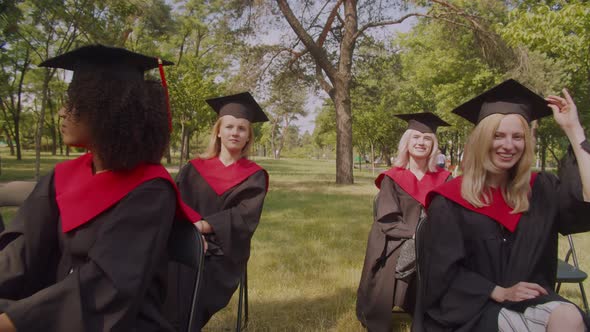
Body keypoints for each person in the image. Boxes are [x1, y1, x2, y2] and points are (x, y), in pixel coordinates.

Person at [0, 44, 201, 332]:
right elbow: (19, 254)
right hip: (50, 310)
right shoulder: (62, 177)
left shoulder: (150, 191)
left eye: (73, 103)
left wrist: (13, 321)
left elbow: (105, 288)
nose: (61, 113)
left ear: (109, 111)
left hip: (118, 320)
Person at [415, 79, 590, 332]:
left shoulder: (541, 189)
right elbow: (441, 275)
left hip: (531, 301)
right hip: (472, 309)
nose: (508, 146)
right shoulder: (449, 201)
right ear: (481, 139)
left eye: (517, 137)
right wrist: (497, 291)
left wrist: (574, 130)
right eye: (498, 135)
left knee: (570, 317)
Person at [165, 92, 269, 331]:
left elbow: (244, 217)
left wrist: (201, 228)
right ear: (218, 131)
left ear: (248, 137)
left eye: (242, 129)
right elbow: (176, 205)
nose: (235, 132)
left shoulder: (254, 176)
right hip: (184, 240)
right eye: (229, 126)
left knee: (192, 291)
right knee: (165, 277)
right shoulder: (193, 168)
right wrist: (191, 234)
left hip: (224, 250)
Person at [356, 112, 452, 331]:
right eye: (416, 137)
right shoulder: (393, 177)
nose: (421, 142)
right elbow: (387, 217)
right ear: (406, 142)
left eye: (427, 138)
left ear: (433, 145)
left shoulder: (444, 178)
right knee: (398, 260)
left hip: (435, 240)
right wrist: (415, 235)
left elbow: (450, 216)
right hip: (396, 238)